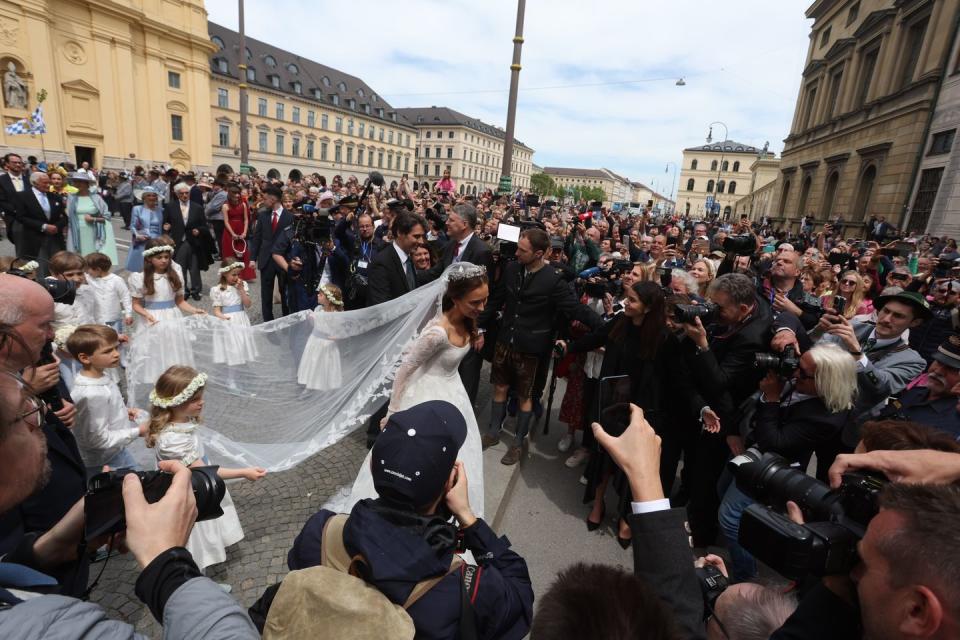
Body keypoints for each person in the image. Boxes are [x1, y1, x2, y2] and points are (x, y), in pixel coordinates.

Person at [0, 371, 261, 638]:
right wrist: (168, 564)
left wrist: (41, 553)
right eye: (25, 410)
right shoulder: (53, 627)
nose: (43, 415)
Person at [260, 400, 533, 639]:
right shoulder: (466, 588)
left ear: (371, 465)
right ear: (450, 483)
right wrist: (468, 520)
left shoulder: (320, 533)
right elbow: (520, 600)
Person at [558, 281, 711, 548]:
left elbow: (681, 380)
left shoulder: (664, 339)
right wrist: (569, 347)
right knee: (604, 459)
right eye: (627, 298)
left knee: (633, 467)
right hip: (612, 404)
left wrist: (702, 407)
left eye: (632, 300)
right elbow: (595, 338)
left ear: (648, 307)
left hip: (644, 412)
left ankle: (627, 518)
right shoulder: (620, 323)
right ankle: (598, 504)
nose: (626, 303)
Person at [330, 263, 489, 517]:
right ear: (456, 299)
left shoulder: (469, 321)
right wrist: (393, 411)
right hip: (424, 397)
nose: (481, 308)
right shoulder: (437, 333)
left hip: (454, 395)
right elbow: (405, 369)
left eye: (484, 300)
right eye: (475, 302)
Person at [718, 343, 858, 582]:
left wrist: (771, 399)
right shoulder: (799, 382)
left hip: (770, 465)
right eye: (797, 366)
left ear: (826, 382)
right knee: (722, 490)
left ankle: (745, 577)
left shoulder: (827, 417)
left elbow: (775, 442)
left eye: (803, 374)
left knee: (730, 518)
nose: (794, 374)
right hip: (749, 451)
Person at [480, 228, 603, 465]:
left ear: (538, 254)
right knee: (500, 387)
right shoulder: (512, 269)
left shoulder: (553, 280)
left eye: (522, 250)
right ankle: (493, 432)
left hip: (531, 348)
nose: (516, 253)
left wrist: (605, 327)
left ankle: (517, 443)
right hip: (505, 342)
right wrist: (477, 324)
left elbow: (575, 309)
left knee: (525, 396)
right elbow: (497, 300)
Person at [145, 366, 266, 570]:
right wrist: (243, 472)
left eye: (201, 397)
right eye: (194, 400)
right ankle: (193, 579)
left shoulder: (180, 422)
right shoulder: (174, 439)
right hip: (190, 492)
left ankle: (197, 577)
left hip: (194, 483)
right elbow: (204, 473)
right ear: (174, 403)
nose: (201, 402)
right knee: (194, 540)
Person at [814, 290, 928, 440]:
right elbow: (814, 352)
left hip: (847, 429)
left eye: (898, 316)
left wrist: (857, 353)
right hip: (814, 408)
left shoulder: (912, 361)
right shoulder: (853, 326)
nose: (887, 319)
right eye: (885, 311)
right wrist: (819, 330)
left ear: (915, 322)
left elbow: (880, 386)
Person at [419, 203, 494, 403]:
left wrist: (479, 329)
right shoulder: (449, 246)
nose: (447, 222)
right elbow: (438, 274)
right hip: (446, 319)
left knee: (467, 375)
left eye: (451, 220)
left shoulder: (481, 251)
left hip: (469, 324)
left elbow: (487, 293)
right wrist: (411, 276)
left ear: (464, 224)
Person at [66, 324, 147, 475]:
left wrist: (123, 411)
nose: (116, 354)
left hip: (114, 451)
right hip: (104, 461)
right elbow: (97, 440)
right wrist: (138, 431)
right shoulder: (92, 395)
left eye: (116, 348)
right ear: (84, 358)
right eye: (108, 351)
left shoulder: (100, 375)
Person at [127, 239, 205, 383]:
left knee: (174, 349)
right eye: (159, 257)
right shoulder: (140, 278)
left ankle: (175, 382)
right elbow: (136, 304)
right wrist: (146, 314)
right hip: (153, 319)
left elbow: (180, 301)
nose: (164, 260)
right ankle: (159, 383)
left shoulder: (174, 274)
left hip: (172, 316)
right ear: (149, 258)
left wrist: (194, 310)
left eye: (166, 257)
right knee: (156, 351)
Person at [878, 334, 960, 438]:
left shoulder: (955, 417)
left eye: (952, 369)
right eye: (938, 362)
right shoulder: (915, 392)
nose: (938, 371)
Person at [11, 171, 66, 279]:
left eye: (48, 182)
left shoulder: (54, 197)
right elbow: (21, 217)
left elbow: (64, 216)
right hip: (35, 237)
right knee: (41, 267)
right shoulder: (23, 196)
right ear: (35, 183)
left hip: (54, 237)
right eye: (44, 183)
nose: (48, 185)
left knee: (57, 264)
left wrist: (57, 226)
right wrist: (43, 226)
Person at [249, 185, 292, 321]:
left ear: (273, 199)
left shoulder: (290, 217)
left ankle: (287, 319)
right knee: (266, 294)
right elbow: (257, 238)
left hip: (283, 260)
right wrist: (252, 258)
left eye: (265, 198)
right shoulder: (263, 215)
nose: (263, 201)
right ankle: (268, 322)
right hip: (266, 260)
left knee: (284, 293)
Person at [163, 182, 210, 301]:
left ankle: (196, 290)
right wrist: (166, 226)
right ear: (177, 194)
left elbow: (204, 226)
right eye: (182, 193)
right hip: (177, 241)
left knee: (194, 268)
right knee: (180, 267)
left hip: (193, 242)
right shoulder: (170, 206)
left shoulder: (197, 207)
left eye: (187, 193)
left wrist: (198, 231)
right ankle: (183, 290)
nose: (185, 195)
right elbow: (165, 223)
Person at [210, 259, 257, 367]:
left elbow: (248, 304)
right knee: (231, 350)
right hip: (228, 322)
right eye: (233, 274)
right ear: (225, 274)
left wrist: (241, 290)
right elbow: (217, 311)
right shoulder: (218, 289)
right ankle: (232, 378)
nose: (237, 277)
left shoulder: (243, 285)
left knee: (241, 347)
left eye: (239, 274)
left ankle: (242, 373)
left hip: (241, 320)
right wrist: (223, 318)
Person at [297, 283, 344, 391]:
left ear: (328, 300)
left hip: (326, 344)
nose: (318, 295)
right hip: (314, 341)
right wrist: (311, 320)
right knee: (313, 362)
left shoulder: (336, 315)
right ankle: (310, 385)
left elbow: (339, 330)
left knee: (325, 365)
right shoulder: (318, 309)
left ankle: (325, 387)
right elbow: (315, 325)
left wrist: (336, 337)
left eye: (321, 295)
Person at [65, 170, 118, 266]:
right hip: (75, 232)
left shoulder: (96, 198)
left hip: (93, 232)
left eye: (80, 181)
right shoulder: (71, 198)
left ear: (87, 184)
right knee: (77, 258)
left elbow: (107, 216)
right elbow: (69, 216)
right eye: (75, 181)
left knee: (92, 257)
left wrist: (94, 219)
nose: (77, 184)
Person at [84, 251, 133, 334]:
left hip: (113, 318)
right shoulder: (89, 278)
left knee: (114, 338)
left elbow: (125, 296)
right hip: (96, 318)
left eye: (88, 269)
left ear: (98, 270)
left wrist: (128, 314)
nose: (87, 272)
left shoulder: (116, 280)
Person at [220, 185, 256, 281]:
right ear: (230, 194)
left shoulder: (243, 204)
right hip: (229, 232)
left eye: (238, 193)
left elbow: (246, 219)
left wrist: (244, 232)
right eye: (235, 193)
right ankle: (229, 275)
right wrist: (232, 234)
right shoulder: (225, 206)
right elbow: (226, 221)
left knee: (243, 253)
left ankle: (243, 275)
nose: (237, 195)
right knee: (230, 253)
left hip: (241, 229)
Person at [125, 186, 165, 272]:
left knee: (155, 267)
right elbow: (132, 226)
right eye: (149, 195)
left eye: (154, 195)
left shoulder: (161, 210)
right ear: (144, 198)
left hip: (157, 241)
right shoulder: (137, 209)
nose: (151, 197)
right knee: (141, 267)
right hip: (142, 241)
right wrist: (137, 235)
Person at [204, 178, 229, 256]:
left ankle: (222, 254)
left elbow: (214, 207)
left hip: (219, 219)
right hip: (217, 218)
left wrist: (206, 212)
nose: (213, 186)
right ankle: (221, 253)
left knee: (220, 238)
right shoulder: (218, 193)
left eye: (215, 185)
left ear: (219, 186)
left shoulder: (222, 194)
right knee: (219, 238)